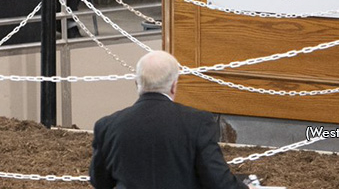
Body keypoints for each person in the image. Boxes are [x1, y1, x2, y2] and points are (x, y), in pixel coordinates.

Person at [89, 50, 242, 189]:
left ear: (137, 84)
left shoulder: (107, 126)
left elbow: (100, 181)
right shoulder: (198, 123)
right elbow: (218, 181)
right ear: (174, 86)